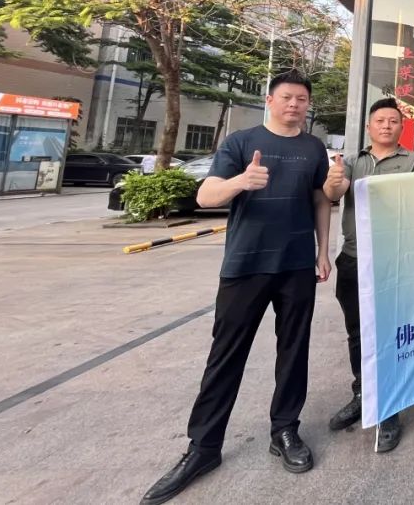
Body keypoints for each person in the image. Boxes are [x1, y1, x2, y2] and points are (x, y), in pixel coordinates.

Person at [140, 72, 332, 504]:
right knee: (226, 355)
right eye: (287, 97)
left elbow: (320, 199)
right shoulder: (241, 142)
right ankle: (204, 447)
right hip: (245, 267)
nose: (295, 105)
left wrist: (323, 250)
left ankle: (285, 430)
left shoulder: (313, 147)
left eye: (302, 99)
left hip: (297, 265)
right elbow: (206, 195)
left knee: (294, 351)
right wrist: (240, 182)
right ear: (270, 100)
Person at [322, 97, 414, 453]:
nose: (386, 126)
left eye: (393, 121)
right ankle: (362, 393)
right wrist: (334, 181)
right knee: (357, 332)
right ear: (369, 127)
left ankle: (389, 406)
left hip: (395, 261)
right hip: (354, 260)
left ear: (401, 127)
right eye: (380, 120)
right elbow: (335, 192)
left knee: (390, 332)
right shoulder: (352, 162)